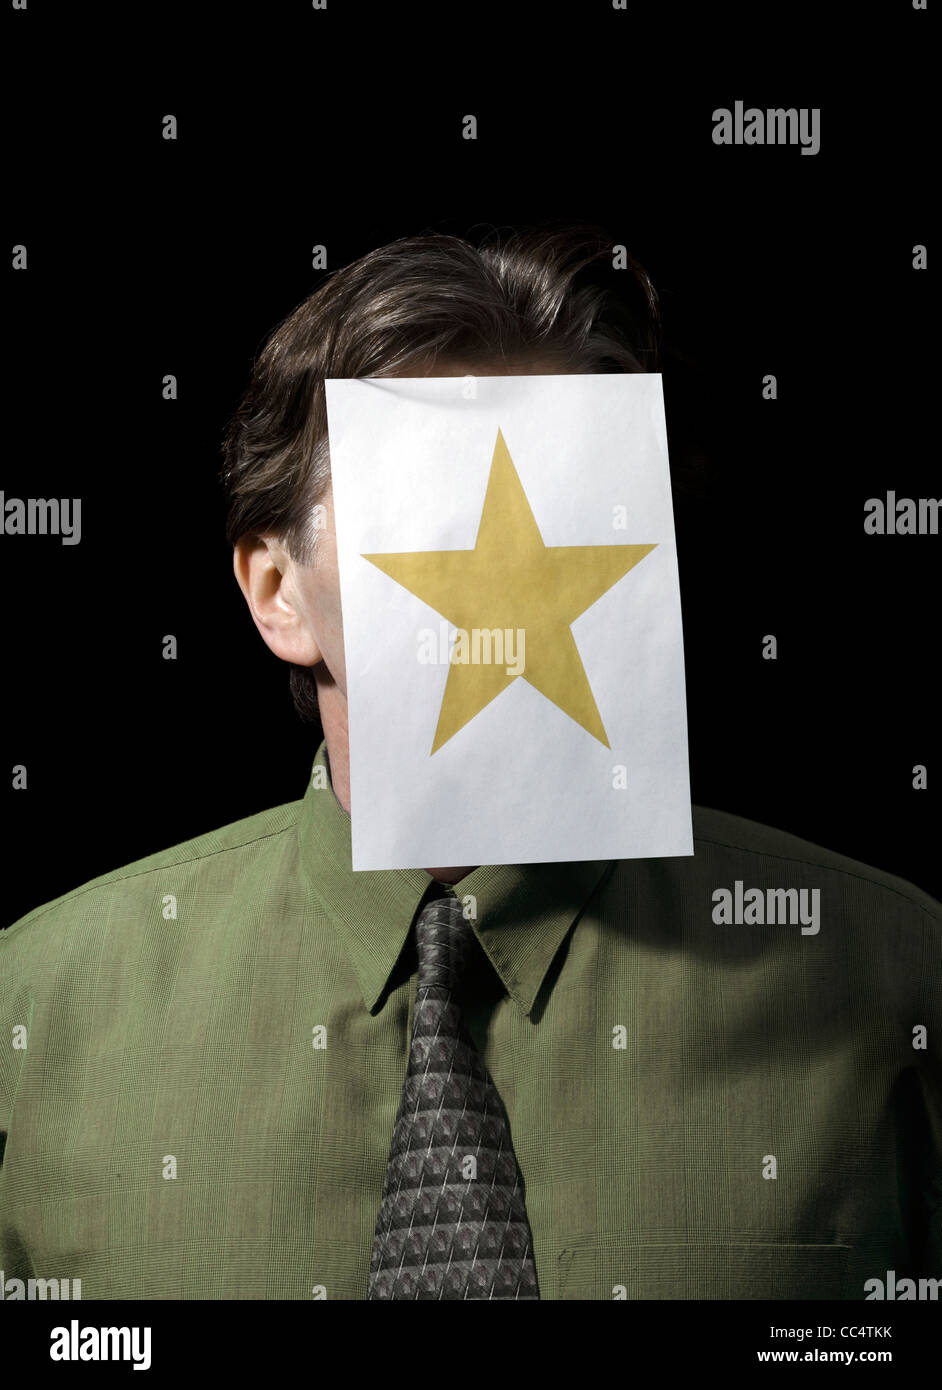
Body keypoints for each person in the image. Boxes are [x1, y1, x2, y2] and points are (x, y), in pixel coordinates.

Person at [1, 225, 939, 1301]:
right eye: (432, 511)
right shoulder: (36, 1006)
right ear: (276, 591)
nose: (509, 578)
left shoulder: (896, 975)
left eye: (576, 502)